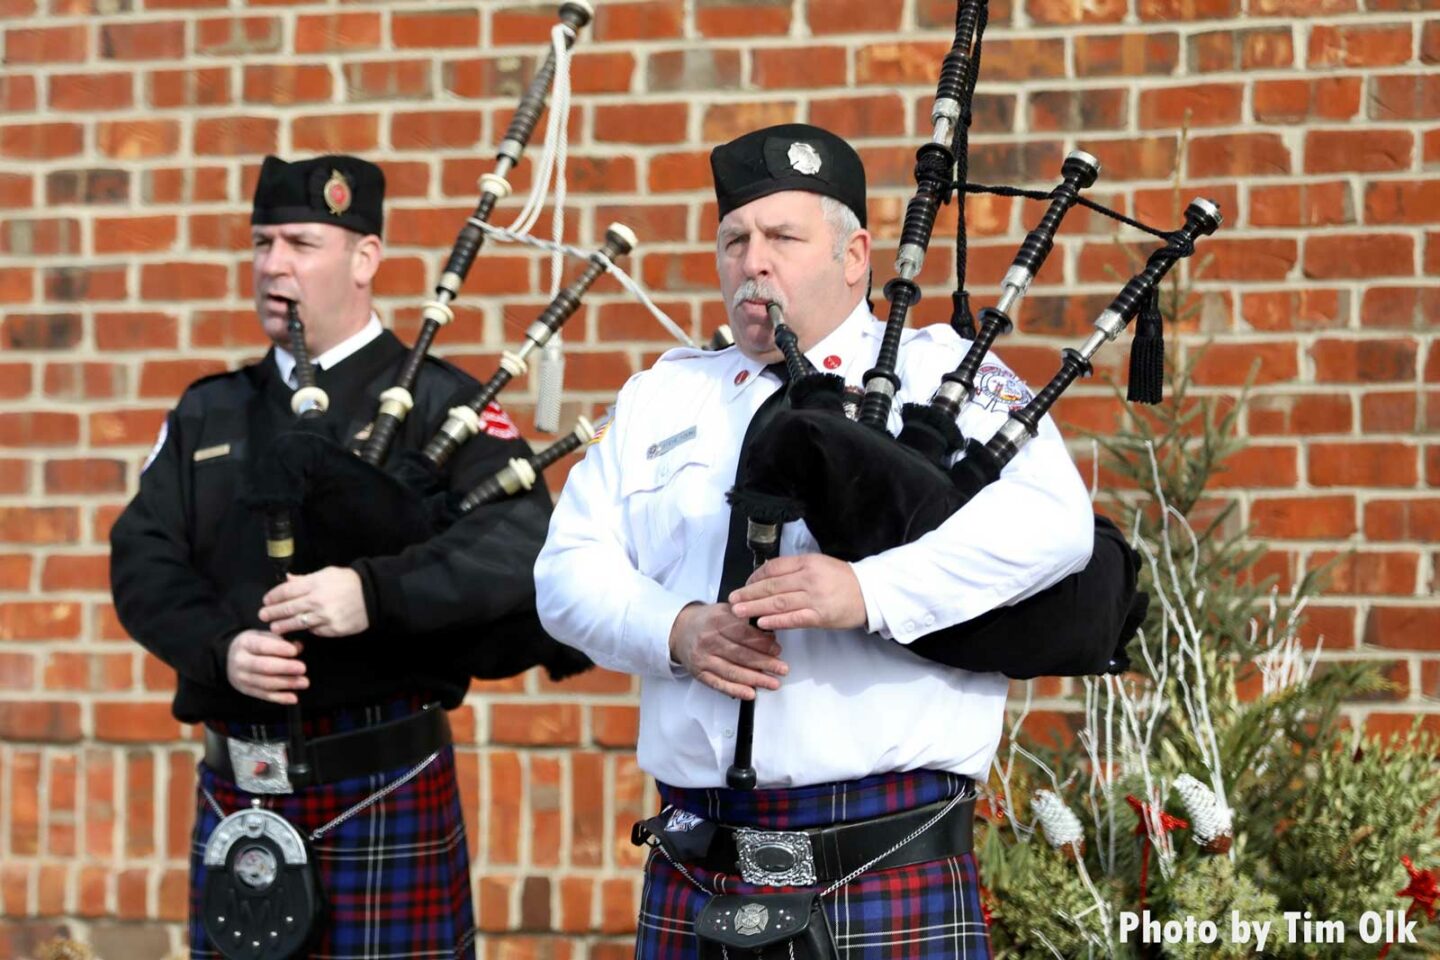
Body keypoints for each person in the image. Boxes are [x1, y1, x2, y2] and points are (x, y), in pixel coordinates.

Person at [533, 124, 1094, 959]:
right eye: (735, 239)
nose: (753, 261)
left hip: (884, 853)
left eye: (783, 238)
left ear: (855, 253)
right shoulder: (662, 397)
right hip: (699, 859)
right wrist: (677, 630)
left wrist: (870, 592)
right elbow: (566, 572)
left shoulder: (951, 374)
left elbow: (1056, 522)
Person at [110, 154, 553, 960]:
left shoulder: (440, 402)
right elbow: (142, 559)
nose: (274, 264)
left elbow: (519, 542)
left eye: (303, 243)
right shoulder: (210, 412)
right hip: (237, 790)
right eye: (262, 242)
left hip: (383, 786)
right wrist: (223, 648)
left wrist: (372, 591)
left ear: (366, 258)